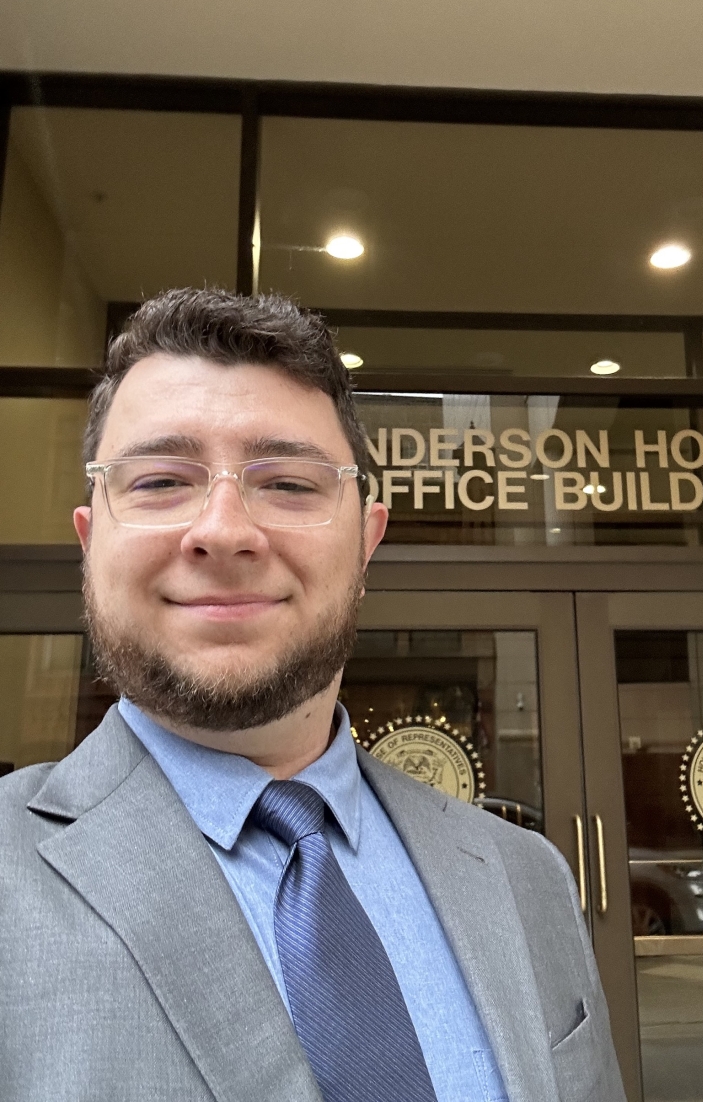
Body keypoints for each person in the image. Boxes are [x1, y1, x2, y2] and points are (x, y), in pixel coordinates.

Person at [0, 288, 625, 1102]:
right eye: (159, 481)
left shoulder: (525, 875)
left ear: (366, 539)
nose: (224, 530)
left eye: (289, 484)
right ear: (92, 540)